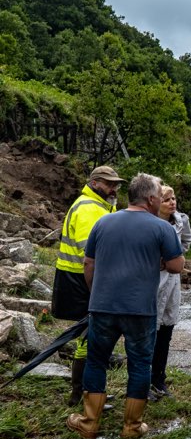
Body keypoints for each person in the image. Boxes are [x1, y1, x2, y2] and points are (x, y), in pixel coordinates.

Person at [66, 173, 184, 439]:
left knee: (96, 361)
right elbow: (177, 265)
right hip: (140, 309)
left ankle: (88, 422)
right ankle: (131, 427)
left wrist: (96, 292)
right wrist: (158, 262)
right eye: (159, 194)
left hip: (103, 305)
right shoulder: (161, 228)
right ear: (151, 198)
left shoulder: (103, 222)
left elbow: (88, 263)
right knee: (140, 364)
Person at [51, 165, 125, 407]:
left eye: (116, 184)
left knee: (90, 336)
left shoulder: (102, 206)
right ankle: (82, 392)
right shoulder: (88, 208)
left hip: (85, 279)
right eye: (109, 183)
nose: (114, 188)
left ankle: (86, 391)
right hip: (81, 280)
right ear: (95, 183)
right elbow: (90, 253)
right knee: (90, 336)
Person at [149, 185, 191, 400]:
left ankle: (159, 378)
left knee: (167, 327)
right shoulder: (148, 221)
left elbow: (186, 241)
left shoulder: (181, 220)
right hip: (153, 278)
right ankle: (144, 378)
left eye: (174, 198)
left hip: (172, 278)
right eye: (166, 199)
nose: (172, 202)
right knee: (149, 329)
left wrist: (174, 257)